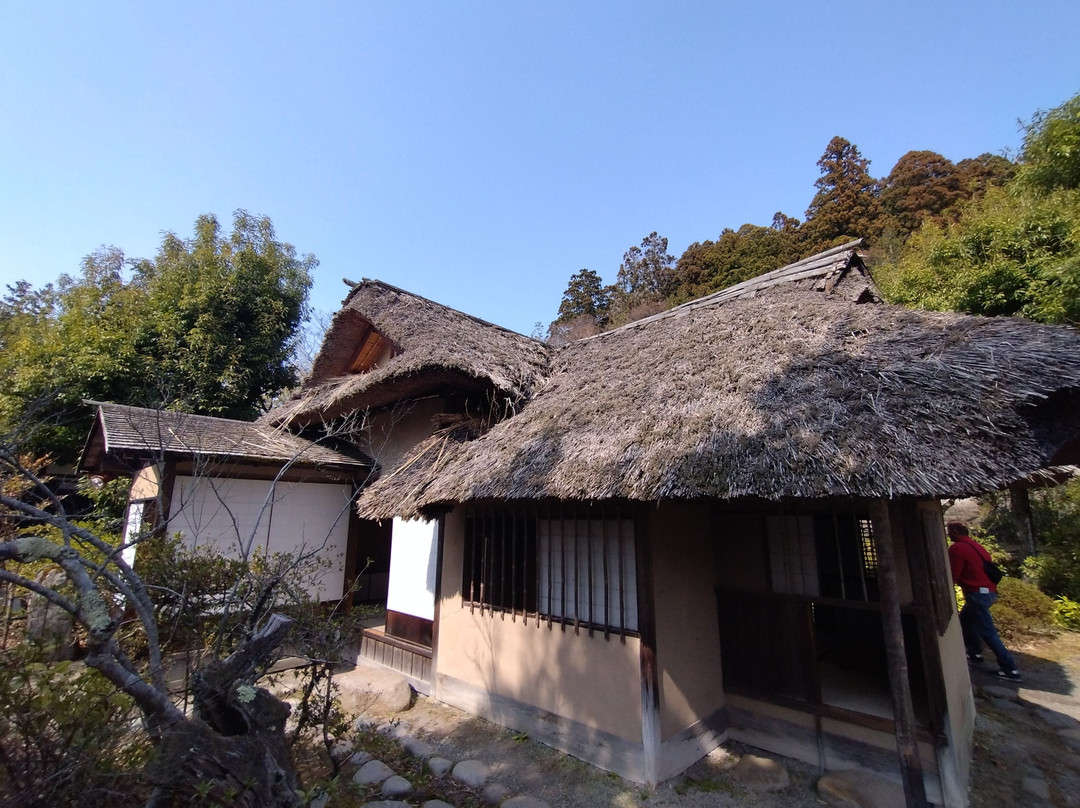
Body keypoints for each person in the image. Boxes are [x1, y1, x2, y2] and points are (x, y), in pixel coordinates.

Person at [946, 521, 1021, 682]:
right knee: (966, 621)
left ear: (955, 531)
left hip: (977, 593)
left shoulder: (958, 548)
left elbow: (953, 573)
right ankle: (975, 653)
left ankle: (1010, 669)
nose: (948, 534)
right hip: (989, 592)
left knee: (987, 631)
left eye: (949, 531)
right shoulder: (976, 546)